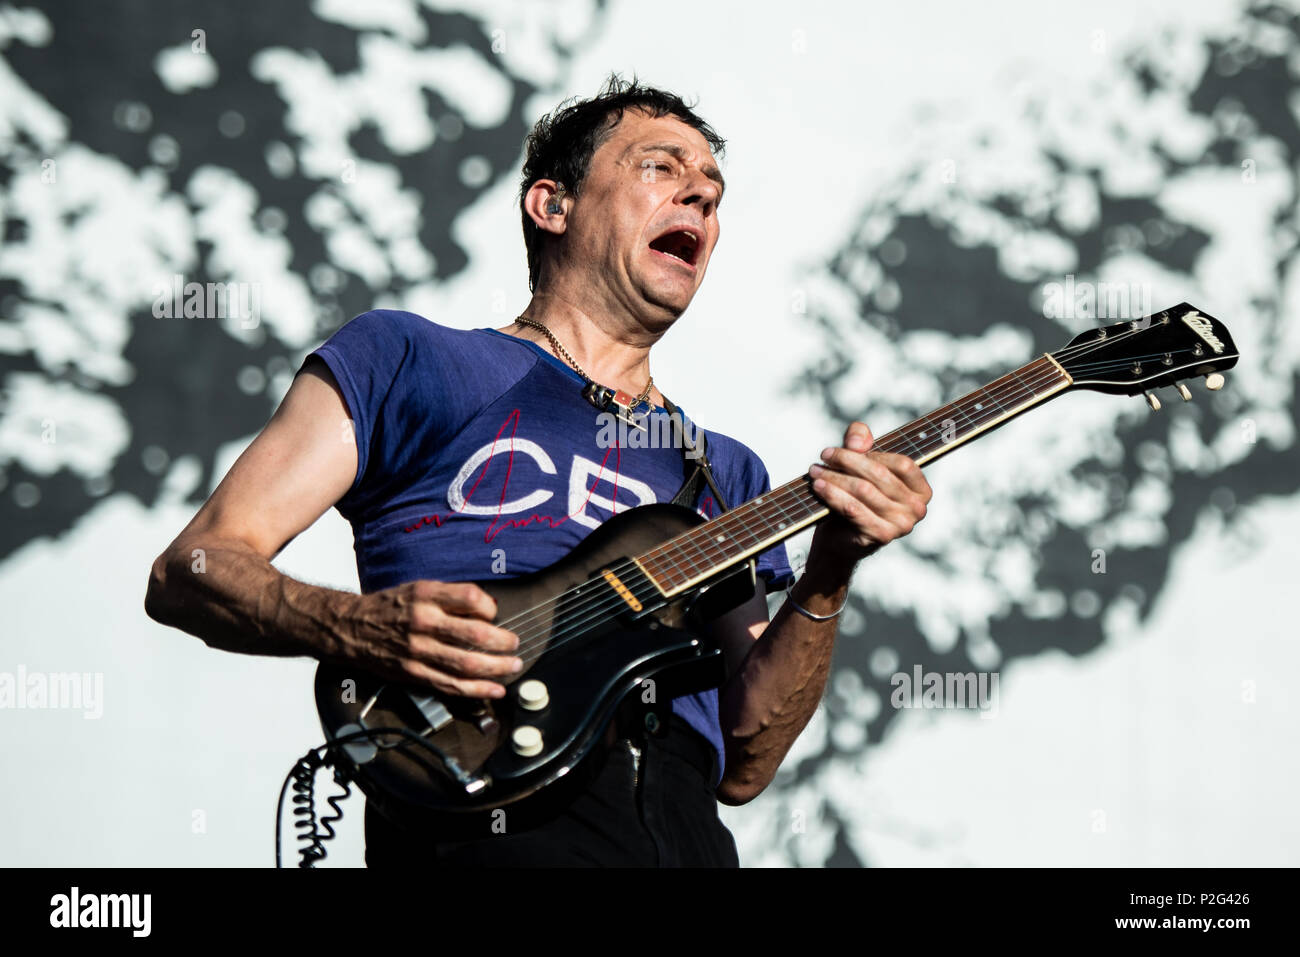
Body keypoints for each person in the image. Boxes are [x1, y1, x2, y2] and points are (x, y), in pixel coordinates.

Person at [144, 74, 932, 867]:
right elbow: (193, 566)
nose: (700, 196)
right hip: (484, 809)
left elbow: (748, 756)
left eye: (714, 192)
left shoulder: (725, 468)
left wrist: (833, 565)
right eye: (663, 168)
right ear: (551, 205)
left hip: (682, 832)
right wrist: (354, 628)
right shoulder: (410, 358)